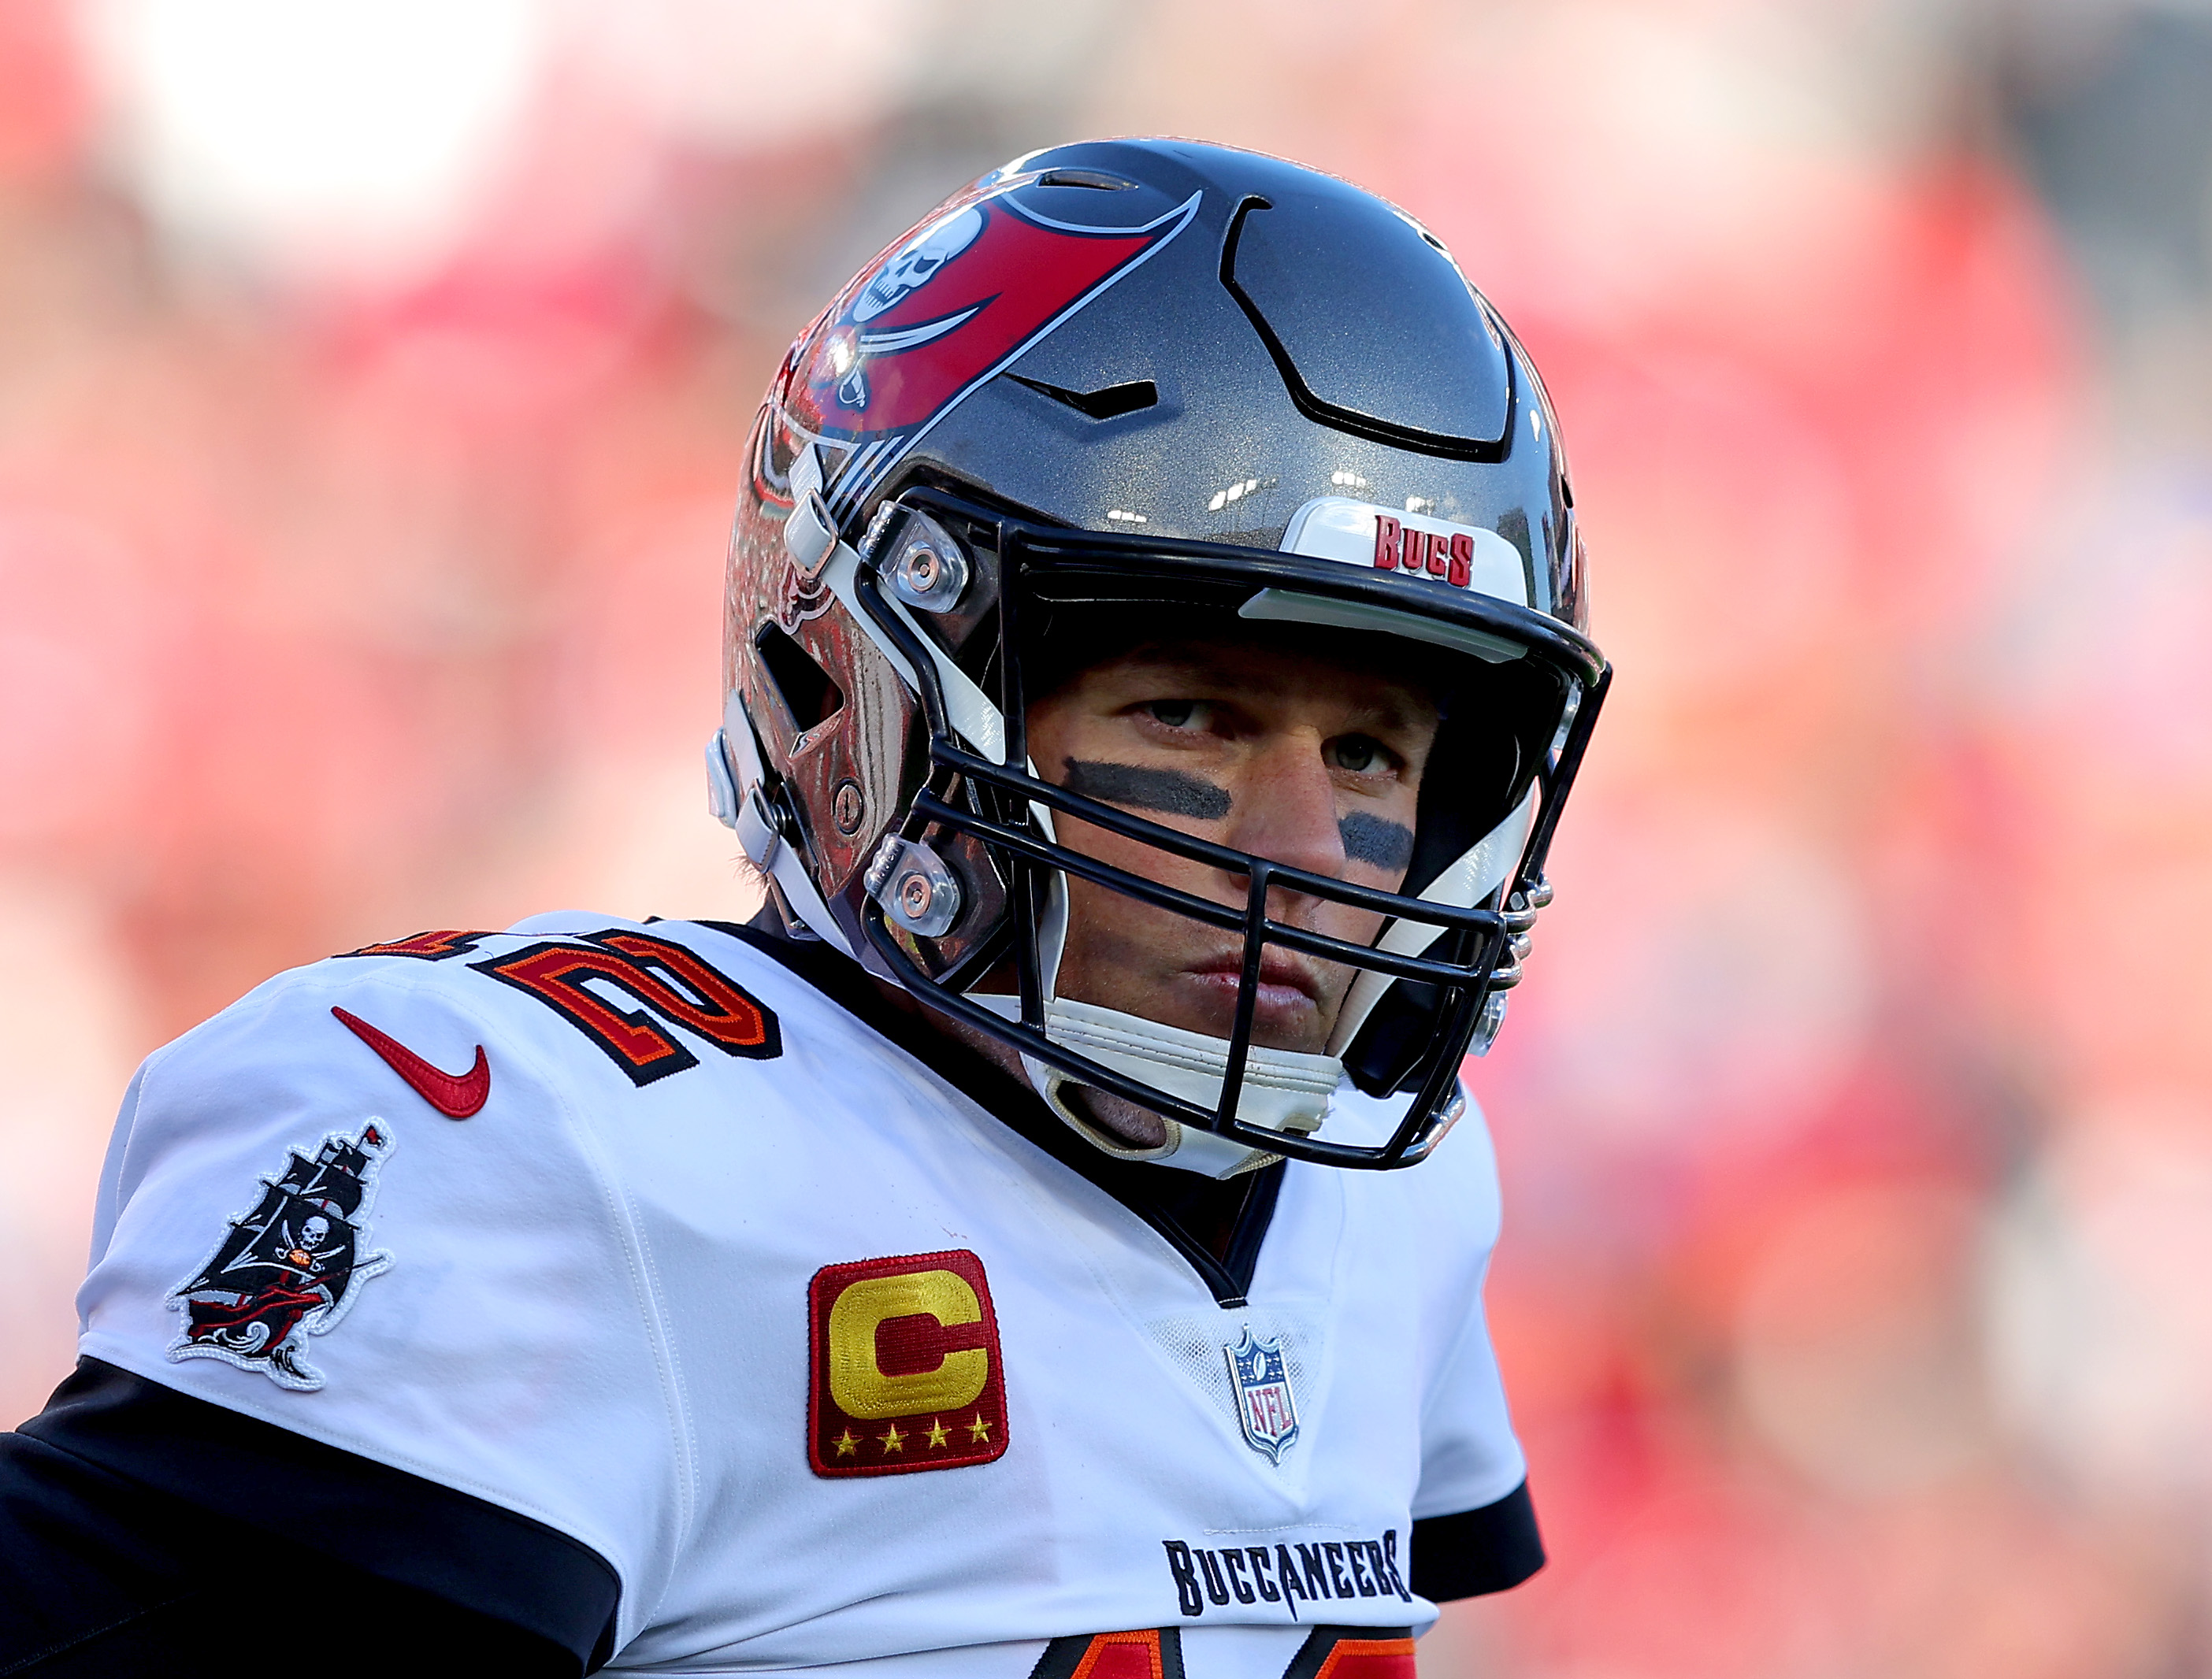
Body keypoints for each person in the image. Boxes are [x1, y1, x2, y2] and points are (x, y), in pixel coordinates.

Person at [0, 138, 1609, 1676]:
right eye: (1187, 715)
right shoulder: (562, 1149)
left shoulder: (1391, 1191)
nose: (1313, 843)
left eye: (1374, 752)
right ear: (851, 673)